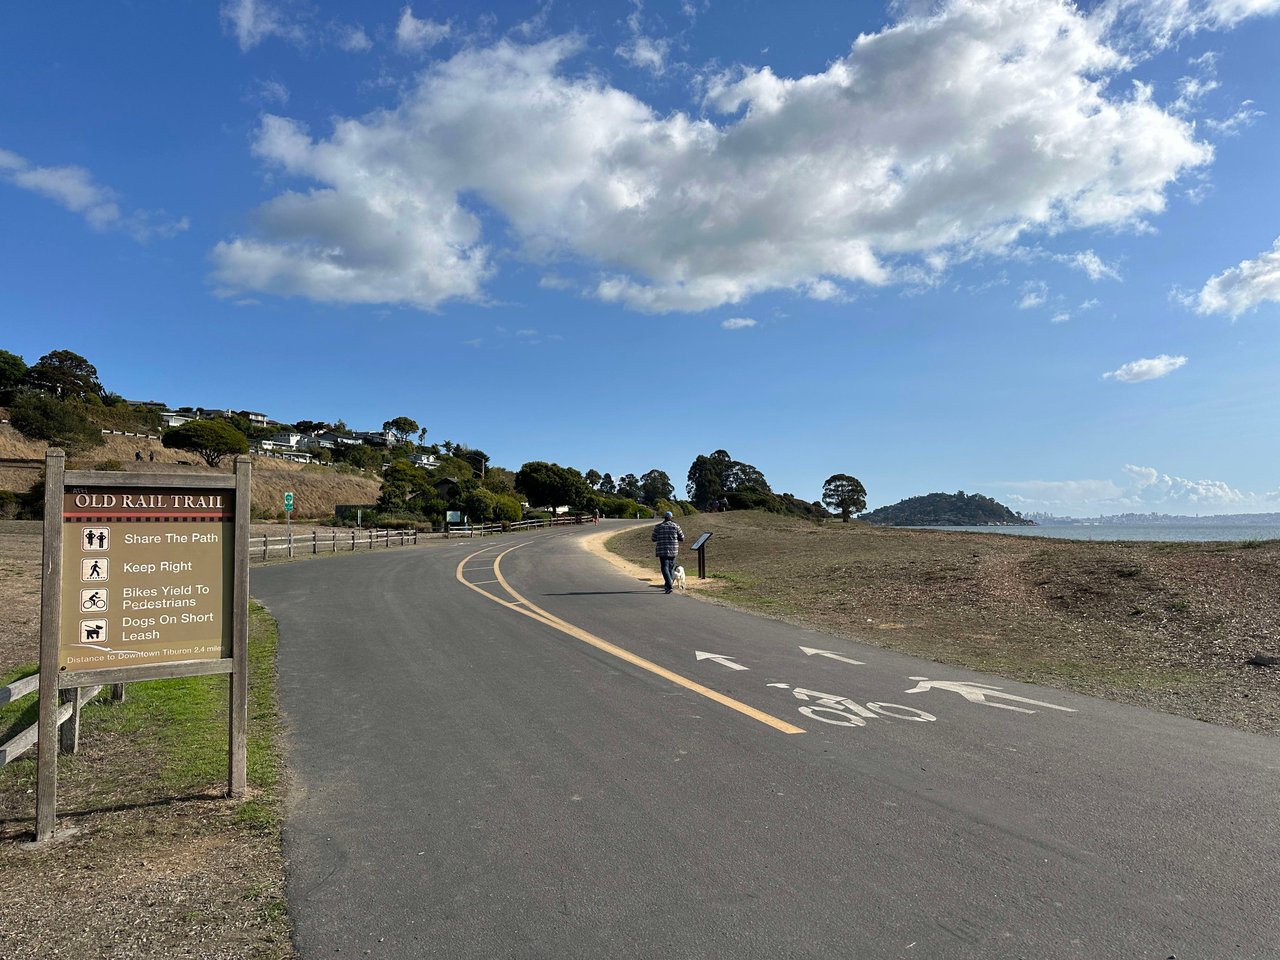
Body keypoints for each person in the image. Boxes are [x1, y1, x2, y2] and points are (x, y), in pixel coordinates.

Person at [651, 510, 685, 594]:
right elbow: (682, 538)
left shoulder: (658, 526)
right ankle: (668, 585)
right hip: (674, 549)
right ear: (671, 517)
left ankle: (668, 584)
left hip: (662, 550)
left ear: (664, 517)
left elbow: (653, 538)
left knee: (664, 567)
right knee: (670, 567)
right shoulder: (676, 526)